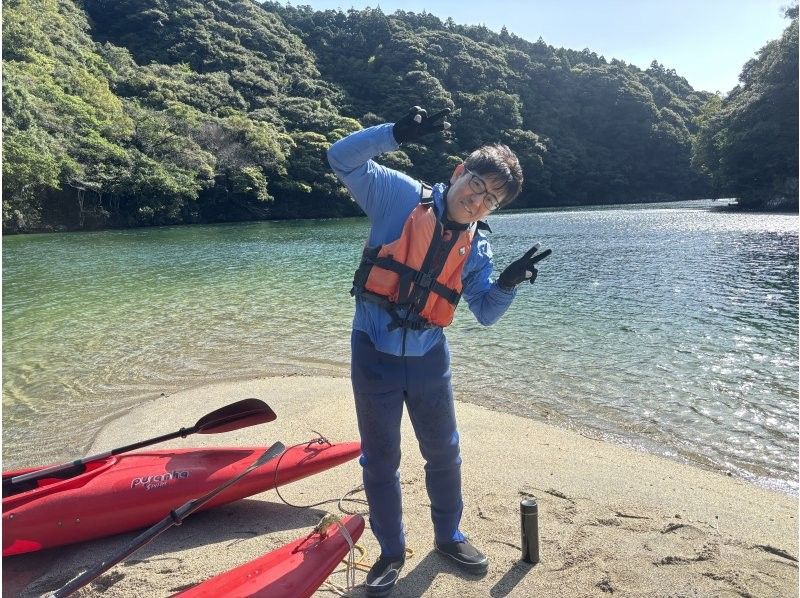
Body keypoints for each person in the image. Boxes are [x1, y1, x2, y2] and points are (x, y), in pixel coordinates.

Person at [327, 106, 549, 597]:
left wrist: (508, 283)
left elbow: (486, 311)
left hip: (429, 359)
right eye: (477, 184)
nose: (478, 199)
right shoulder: (399, 196)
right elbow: (340, 158)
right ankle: (390, 552)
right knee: (380, 459)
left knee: (444, 452)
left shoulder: (477, 247)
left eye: (492, 199)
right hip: (374, 354)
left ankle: (448, 537)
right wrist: (395, 133)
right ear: (458, 172)